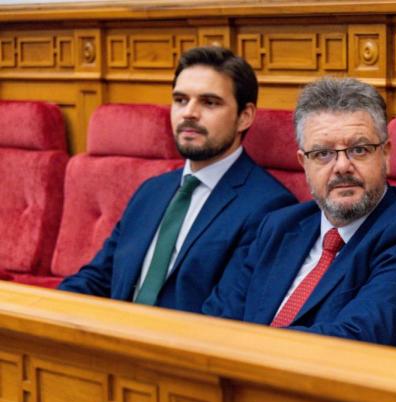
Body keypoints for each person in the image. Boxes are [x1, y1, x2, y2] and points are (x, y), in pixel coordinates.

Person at [202, 76, 396, 352]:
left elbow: (354, 343)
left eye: (359, 150)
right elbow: (217, 319)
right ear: (304, 163)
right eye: (323, 153)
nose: (341, 166)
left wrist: (242, 348)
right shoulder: (279, 227)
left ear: (385, 154)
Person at [59, 46, 295, 312]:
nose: (189, 113)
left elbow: (225, 315)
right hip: (113, 338)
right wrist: (47, 310)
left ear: (244, 116)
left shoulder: (271, 208)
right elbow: (98, 278)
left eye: (209, 102)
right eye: (181, 100)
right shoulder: (151, 191)